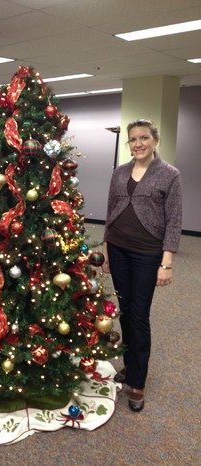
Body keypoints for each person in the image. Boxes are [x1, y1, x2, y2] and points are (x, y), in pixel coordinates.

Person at [102, 119, 182, 412]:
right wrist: (107, 250)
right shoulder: (119, 172)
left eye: (144, 138)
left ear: (154, 141)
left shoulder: (169, 175)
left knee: (139, 315)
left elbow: (174, 220)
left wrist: (167, 262)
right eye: (133, 139)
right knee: (125, 311)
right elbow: (110, 213)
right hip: (119, 250)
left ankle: (138, 382)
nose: (138, 143)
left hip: (148, 254)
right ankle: (129, 366)